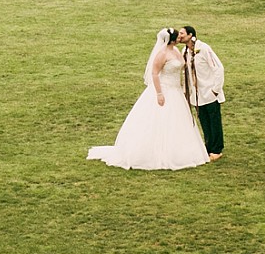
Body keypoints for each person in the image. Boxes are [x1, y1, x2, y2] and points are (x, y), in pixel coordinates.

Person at [87, 27, 209, 170]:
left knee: (177, 120)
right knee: (160, 120)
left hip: (176, 90)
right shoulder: (162, 54)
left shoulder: (176, 51)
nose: (179, 38)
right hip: (165, 89)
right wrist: (159, 93)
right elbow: (155, 73)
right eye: (178, 36)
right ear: (172, 39)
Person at [179, 26, 224, 161]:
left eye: (182, 33)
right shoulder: (185, 51)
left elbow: (218, 68)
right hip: (197, 95)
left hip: (209, 92)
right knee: (204, 121)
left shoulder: (204, 48)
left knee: (214, 121)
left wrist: (215, 90)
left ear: (190, 35)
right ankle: (209, 146)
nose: (179, 36)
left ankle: (217, 149)